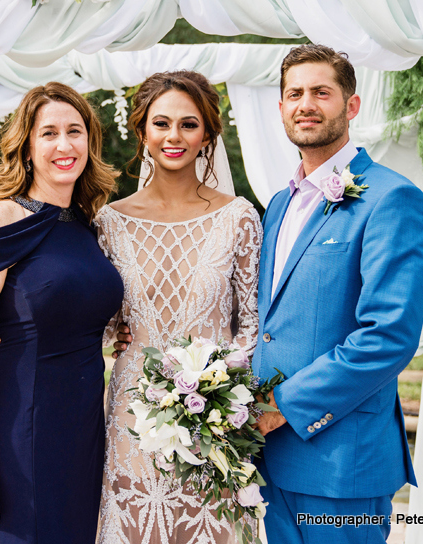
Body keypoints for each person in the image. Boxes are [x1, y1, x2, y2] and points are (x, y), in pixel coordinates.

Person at [250, 44, 423, 543]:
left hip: (340, 459)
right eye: (294, 94)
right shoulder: (277, 205)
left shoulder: (392, 199)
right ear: (282, 108)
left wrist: (282, 405)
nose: (305, 104)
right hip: (267, 457)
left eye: (321, 92)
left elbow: (389, 335)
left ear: (351, 106)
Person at [94, 70, 262, 544]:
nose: (174, 136)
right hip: (130, 423)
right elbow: (97, 319)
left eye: (188, 124)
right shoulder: (109, 222)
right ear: (142, 131)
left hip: (212, 422)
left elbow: (251, 323)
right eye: (161, 123)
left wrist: (218, 394)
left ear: (207, 133)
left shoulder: (239, 217)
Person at [0, 82, 124, 544]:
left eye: (75, 131)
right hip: (24, 427)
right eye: (48, 133)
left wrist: (120, 333)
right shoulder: (0, 222)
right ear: (27, 146)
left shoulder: (89, 226)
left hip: (85, 428)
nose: (64, 145)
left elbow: (78, 311)